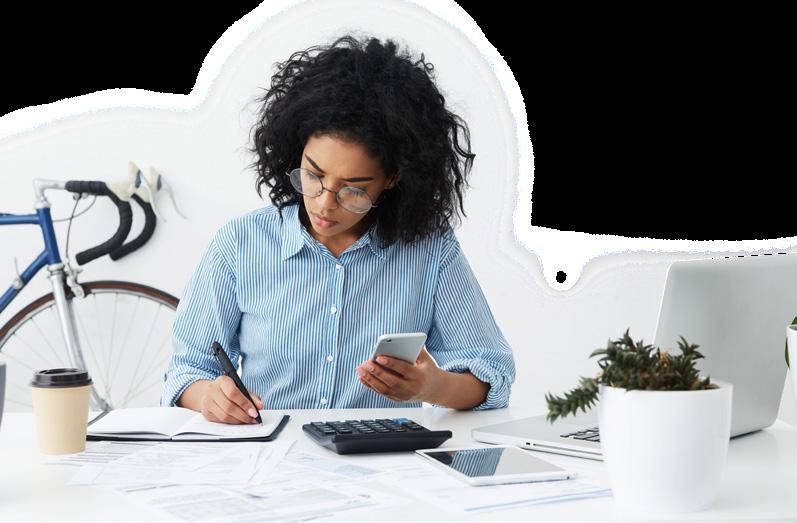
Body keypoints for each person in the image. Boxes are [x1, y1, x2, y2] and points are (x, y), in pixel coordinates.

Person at [160, 34, 516, 424]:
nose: (324, 204)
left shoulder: (430, 249)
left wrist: (431, 387)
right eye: (313, 175)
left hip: (383, 456)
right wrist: (210, 397)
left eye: (353, 191)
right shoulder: (241, 243)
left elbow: (491, 373)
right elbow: (186, 371)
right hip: (269, 454)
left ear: (393, 178)